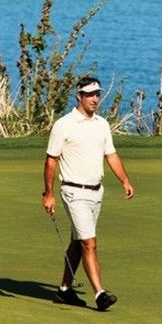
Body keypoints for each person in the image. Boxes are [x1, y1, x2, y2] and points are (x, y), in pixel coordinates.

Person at [42, 75, 135, 310]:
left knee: (78, 241)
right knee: (89, 243)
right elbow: (51, 160)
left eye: (97, 94)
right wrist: (48, 193)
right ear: (79, 96)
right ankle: (100, 294)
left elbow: (110, 155)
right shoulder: (64, 124)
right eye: (91, 94)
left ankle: (64, 289)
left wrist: (124, 180)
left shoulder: (102, 124)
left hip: (96, 192)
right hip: (73, 192)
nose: (96, 99)